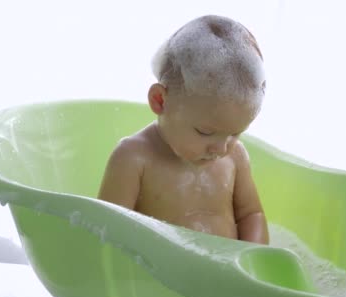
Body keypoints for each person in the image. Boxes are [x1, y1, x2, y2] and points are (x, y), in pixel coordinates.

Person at [98, 15, 269, 244]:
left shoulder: (235, 157)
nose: (221, 148)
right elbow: (107, 230)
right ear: (160, 101)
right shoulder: (133, 158)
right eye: (205, 132)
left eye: (235, 133)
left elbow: (251, 215)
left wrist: (253, 259)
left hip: (225, 274)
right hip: (158, 275)